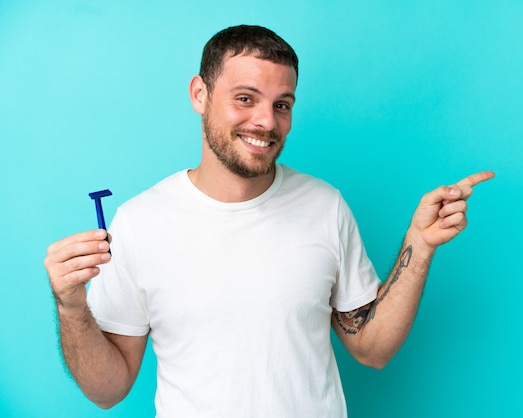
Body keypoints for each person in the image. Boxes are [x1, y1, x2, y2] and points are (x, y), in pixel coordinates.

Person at [44, 25, 494, 417]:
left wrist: (420, 244)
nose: (266, 122)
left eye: (282, 104)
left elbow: (371, 349)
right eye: (246, 98)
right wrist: (71, 307)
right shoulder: (140, 222)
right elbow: (108, 391)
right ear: (200, 95)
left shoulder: (325, 205)